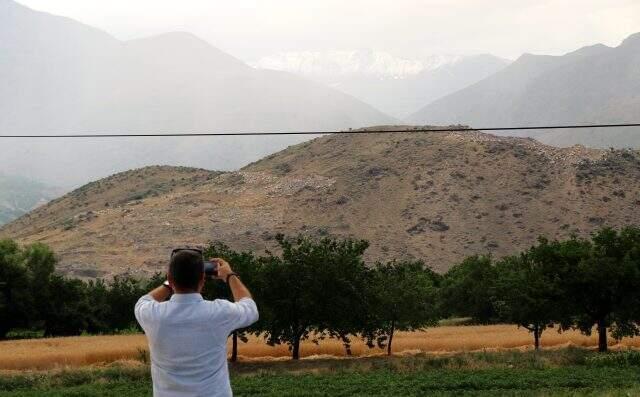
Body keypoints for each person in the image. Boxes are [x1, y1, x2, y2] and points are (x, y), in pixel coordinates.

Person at [134, 249, 258, 397]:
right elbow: (250, 308)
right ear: (202, 279)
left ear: (169, 277)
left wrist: (169, 283)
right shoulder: (219, 312)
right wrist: (230, 275)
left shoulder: (152, 314)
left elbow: (144, 300)